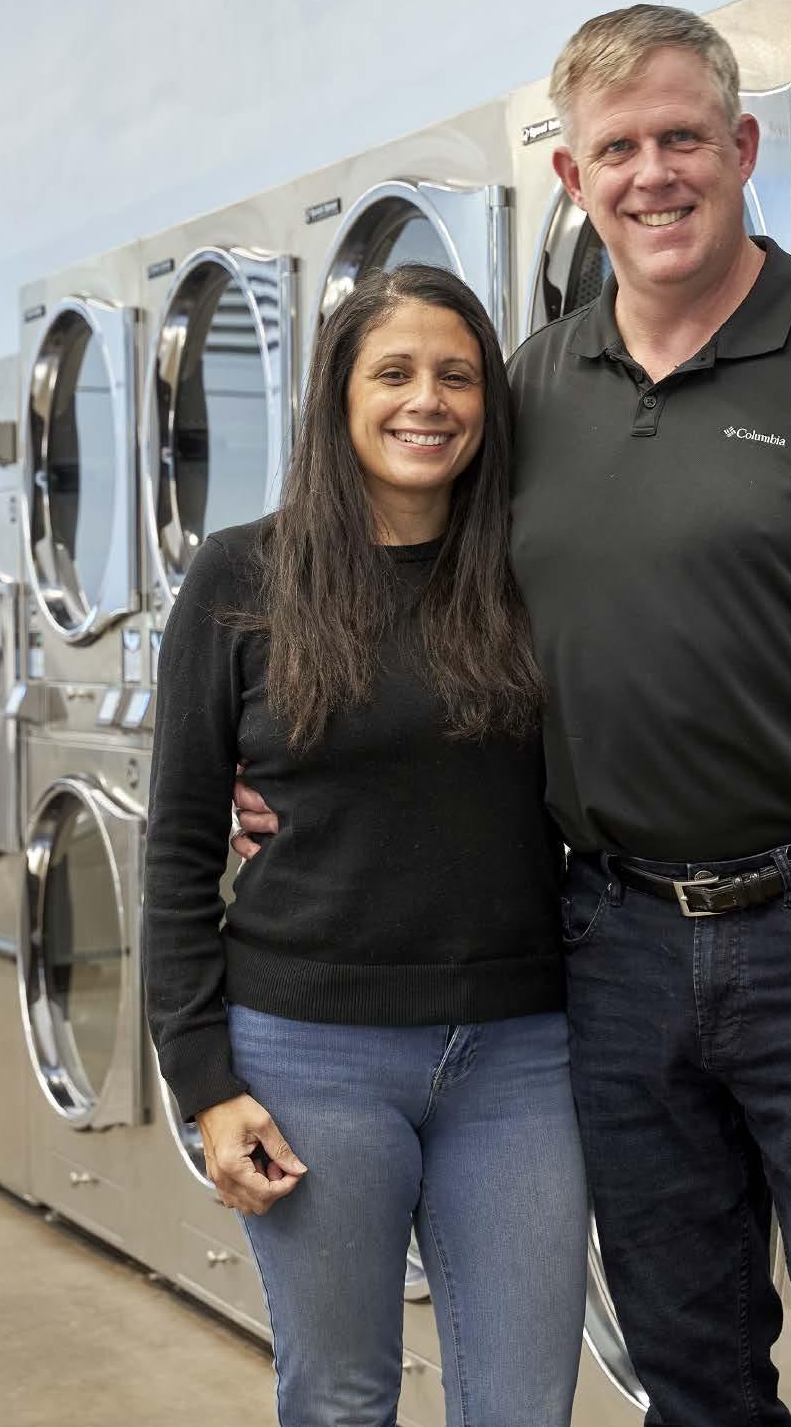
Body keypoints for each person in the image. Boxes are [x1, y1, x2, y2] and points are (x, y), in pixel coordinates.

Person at [238, 5, 791, 1426]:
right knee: (687, 1366)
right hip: (614, 944)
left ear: (741, 148)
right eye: (617, 149)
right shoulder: (530, 392)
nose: (652, 174)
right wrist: (297, 777)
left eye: (682, 138)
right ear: (572, 177)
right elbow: (431, 622)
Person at [144, 265, 587, 1427]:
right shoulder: (242, 576)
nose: (426, 400)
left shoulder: (532, 574)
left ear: (490, 403)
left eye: (457, 375)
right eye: (393, 373)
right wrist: (204, 1080)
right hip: (309, 1055)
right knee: (341, 1399)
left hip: (520, 1054)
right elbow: (179, 843)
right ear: (340, 398)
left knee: (525, 1406)